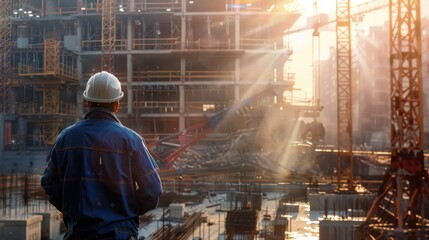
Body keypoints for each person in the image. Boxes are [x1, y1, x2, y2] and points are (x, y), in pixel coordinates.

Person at [41, 71, 162, 240]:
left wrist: (73, 209)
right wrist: (127, 211)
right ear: (117, 104)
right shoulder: (132, 140)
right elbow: (153, 190)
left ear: (88, 103)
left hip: (78, 234)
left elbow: (49, 183)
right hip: (121, 234)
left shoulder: (66, 138)